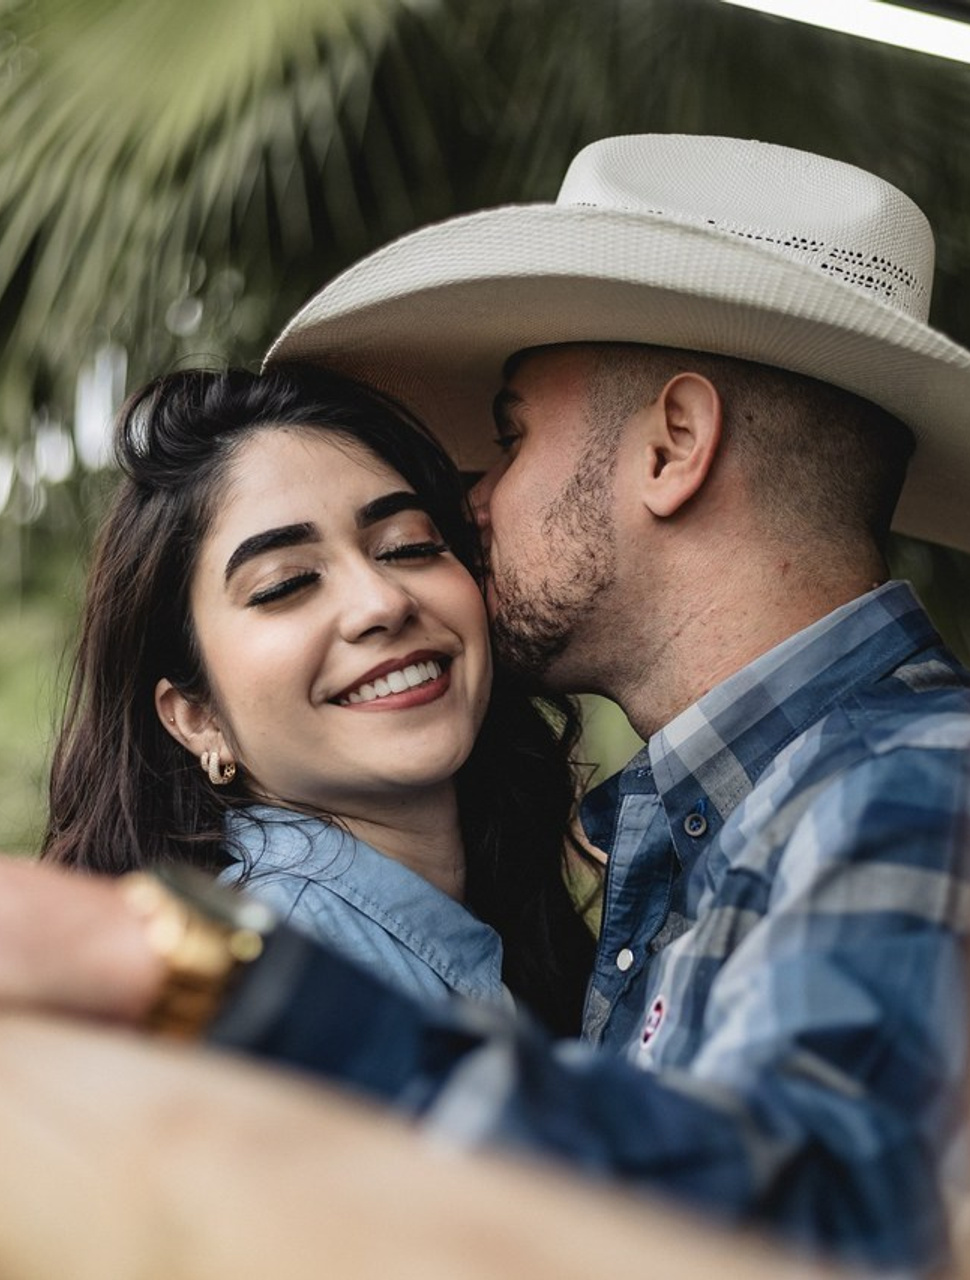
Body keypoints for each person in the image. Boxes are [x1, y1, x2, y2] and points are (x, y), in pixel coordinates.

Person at [0, 135, 970, 1272]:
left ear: (671, 445)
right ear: (187, 710)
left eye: (509, 439)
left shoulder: (921, 782)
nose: (478, 503)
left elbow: (801, 1232)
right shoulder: (700, 828)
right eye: (287, 582)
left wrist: (182, 966)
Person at [42, 364, 597, 1031]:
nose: (381, 603)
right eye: (285, 585)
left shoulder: (482, 918)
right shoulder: (292, 976)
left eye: (408, 546)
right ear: (198, 717)